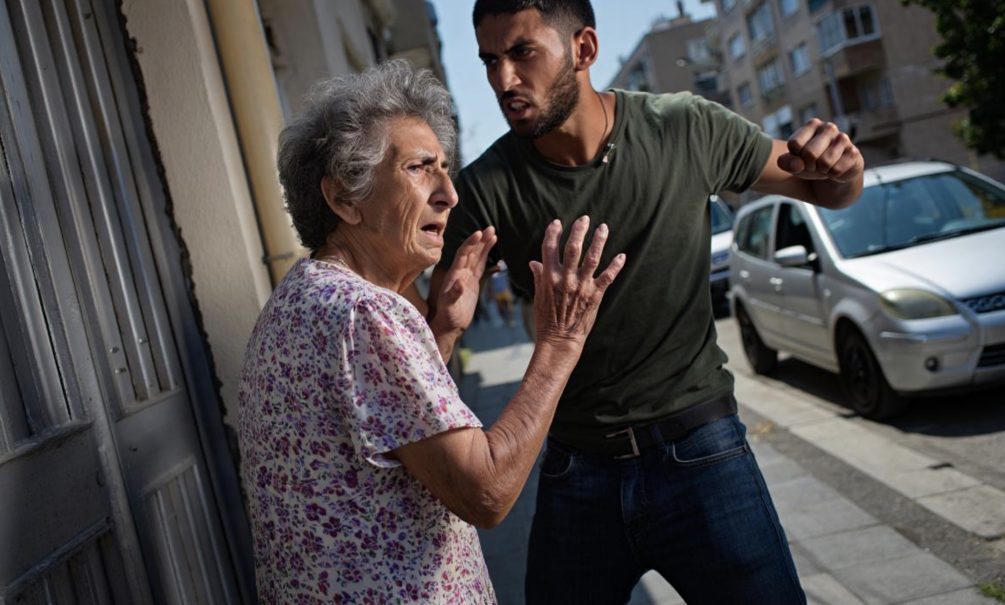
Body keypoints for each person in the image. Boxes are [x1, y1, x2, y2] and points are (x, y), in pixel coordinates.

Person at [428, 1, 866, 603]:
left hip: (703, 453)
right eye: (490, 60)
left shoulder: (685, 127)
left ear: (583, 49)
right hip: (575, 467)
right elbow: (424, 330)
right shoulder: (484, 190)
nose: (503, 79)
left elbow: (829, 189)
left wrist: (844, 166)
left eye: (522, 52)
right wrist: (445, 322)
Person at [236, 60, 624, 603]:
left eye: (445, 168)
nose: (450, 193)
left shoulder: (306, 297)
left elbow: (390, 435)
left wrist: (440, 331)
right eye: (421, 168)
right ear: (345, 198)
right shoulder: (364, 314)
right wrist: (560, 343)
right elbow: (486, 491)